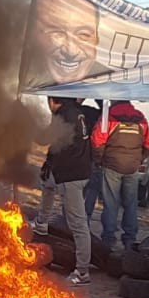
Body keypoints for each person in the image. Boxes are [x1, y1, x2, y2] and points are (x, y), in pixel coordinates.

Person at [35, 97, 94, 285]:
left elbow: (43, 138)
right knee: (47, 183)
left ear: (52, 101)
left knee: (78, 224)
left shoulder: (63, 115)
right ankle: (42, 223)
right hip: (77, 170)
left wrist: (26, 122)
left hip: (71, 175)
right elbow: (57, 144)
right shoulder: (77, 111)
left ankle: (82, 271)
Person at [91, 100, 149, 251]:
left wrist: (99, 160)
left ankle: (108, 240)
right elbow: (148, 145)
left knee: (111, 204)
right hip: (132, 167)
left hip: (111, 166)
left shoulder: (109, 117)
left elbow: (97, 141)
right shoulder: (140, 118)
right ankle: (130, 240)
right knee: (130, 204)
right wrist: (137, 160)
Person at [29, 0, 107, 85]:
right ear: (33, 34)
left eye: (83, 35)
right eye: (58, 33)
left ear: (97, 39)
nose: (71, 51)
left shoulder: (114, 84)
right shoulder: (10, 81)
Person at [81, 99, 104, 223]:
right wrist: (98, 97)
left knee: (75, 192)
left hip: (80, 158)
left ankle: (70, 220)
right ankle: (86, 219)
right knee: (92, 191)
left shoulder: (78, 113)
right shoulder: (99, 116)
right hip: (95, 159)